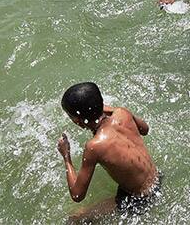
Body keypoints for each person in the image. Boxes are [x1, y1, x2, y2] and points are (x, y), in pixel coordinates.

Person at [57, 82, 161, 219]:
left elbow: (77, 195)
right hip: (157, 180)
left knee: (75, 218)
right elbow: (145, 129)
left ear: (77, 121)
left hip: (139, 200)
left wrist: (66, 156)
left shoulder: (94, 146)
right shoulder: (122, 113)